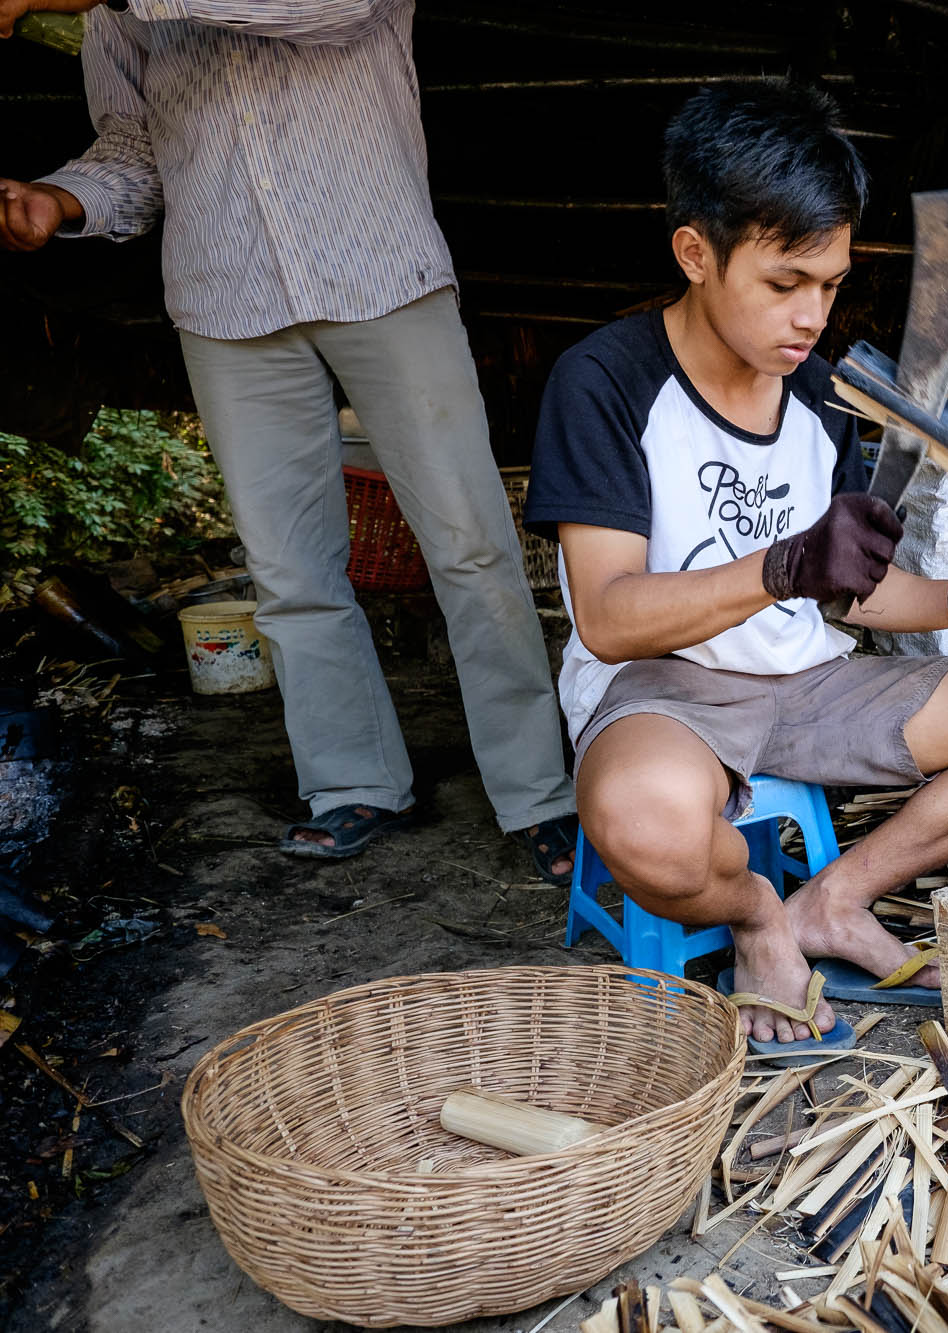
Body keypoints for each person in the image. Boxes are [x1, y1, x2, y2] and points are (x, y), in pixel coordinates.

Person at [527, 83, 948, 1060]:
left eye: (829, 285)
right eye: (784, 282)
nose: (810, 315)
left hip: (810, 680)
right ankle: (757, 911)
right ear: (696, 253)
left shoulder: (822, 397)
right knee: (643, 821)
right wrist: (781, 564)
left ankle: (834, 899)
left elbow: (847, 592)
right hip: (663, 691)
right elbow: (610, 617)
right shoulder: (606, 383)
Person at [0, 0, 580, 882]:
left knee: (470, 545)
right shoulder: (115, 16)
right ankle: (354, 781)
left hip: (381, 273)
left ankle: (539, 792)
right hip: (224, 296)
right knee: (288, 567)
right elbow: (135, 150)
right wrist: (61, 199)